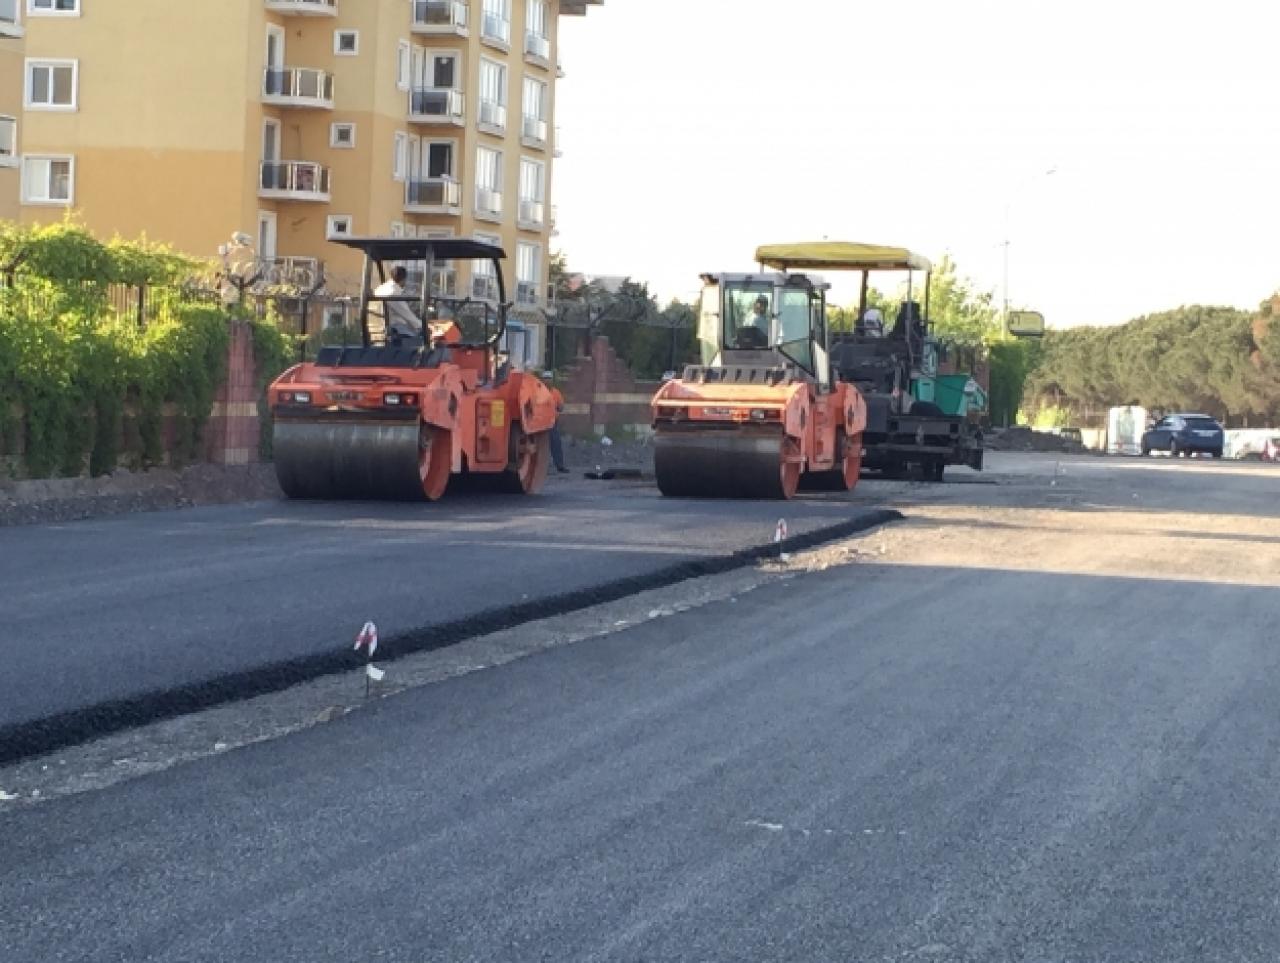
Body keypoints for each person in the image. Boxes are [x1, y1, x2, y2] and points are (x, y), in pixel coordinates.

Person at [372, 266, 422, 340]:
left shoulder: (382, 288)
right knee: (420, 339)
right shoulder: (393, 293)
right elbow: (407, 314)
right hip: (395, 329)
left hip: (378, 326)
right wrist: (422, 326)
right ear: (404, 279)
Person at [549, 386, 569, 473]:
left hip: (552, 422)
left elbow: (561, 407)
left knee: (556, 444)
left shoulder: (556, 392)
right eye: (546, 378)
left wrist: (557, 407)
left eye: (549, 378)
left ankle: (560, 466)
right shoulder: (538, 391)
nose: (547, 380)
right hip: (540, 423)